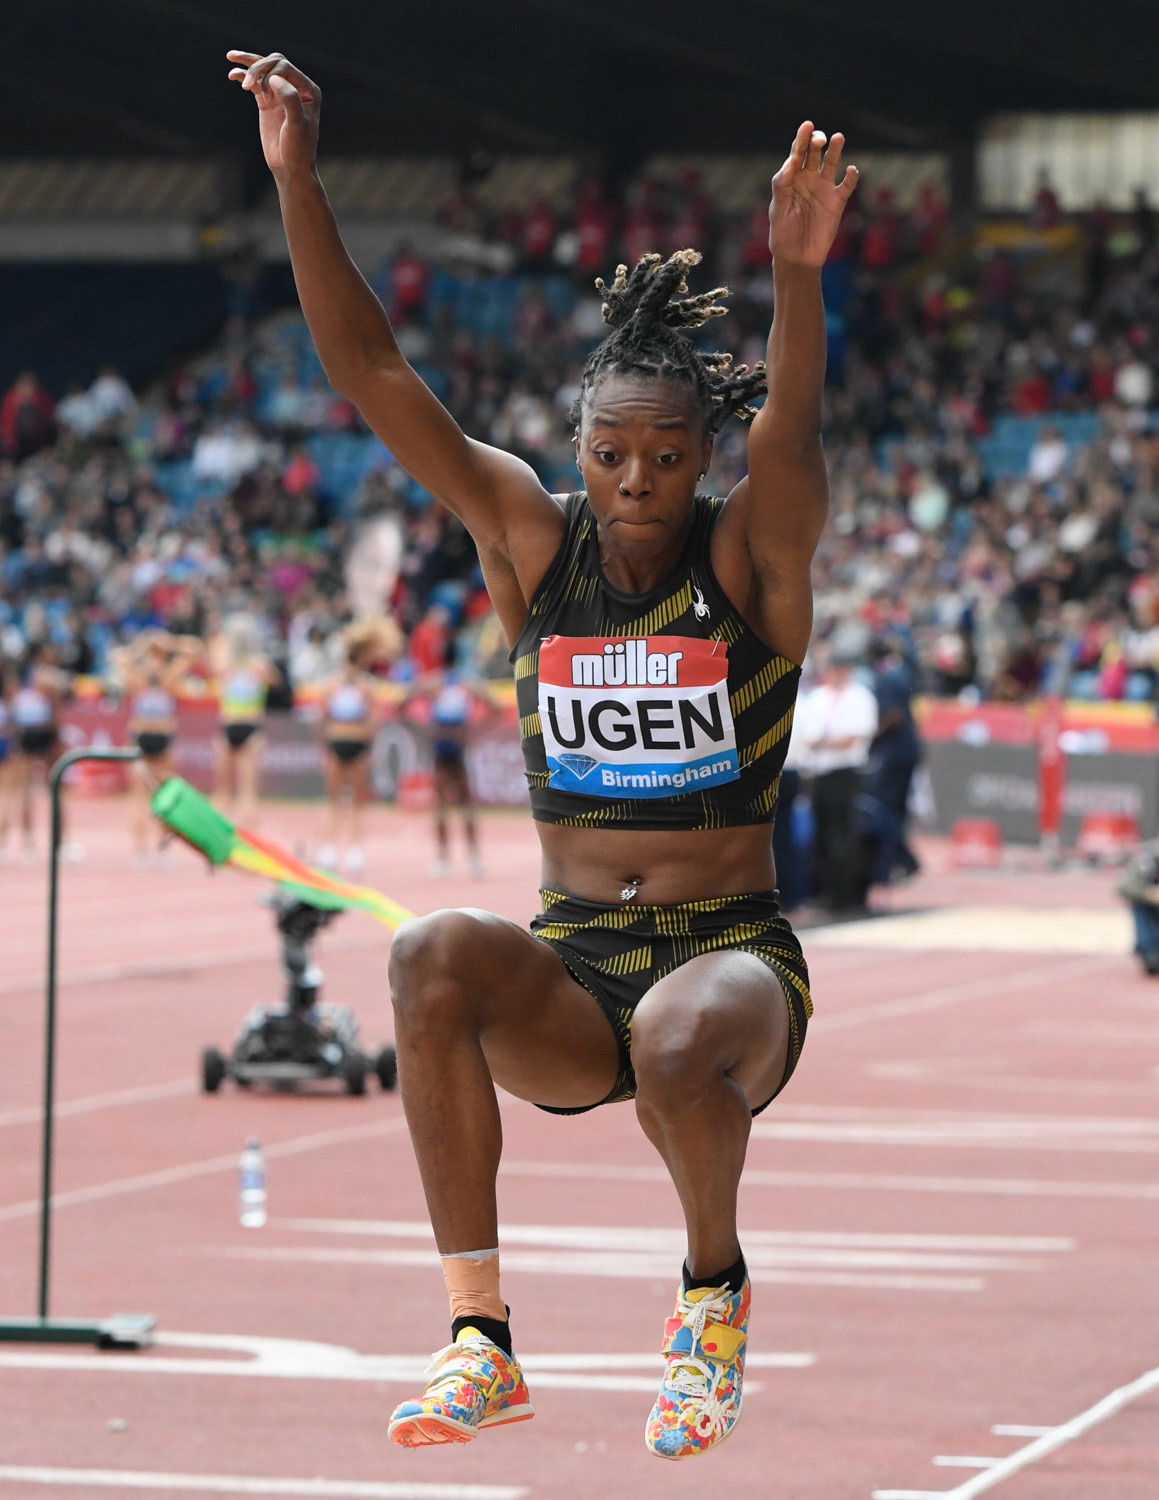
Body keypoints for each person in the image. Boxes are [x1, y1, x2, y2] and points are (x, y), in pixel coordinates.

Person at [230, 46, 856, 1459]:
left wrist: (796, 271)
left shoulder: (749, 559)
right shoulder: (527, 540)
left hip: (730, 957)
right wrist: (296, 179)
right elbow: (373, 370)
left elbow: (800, 437)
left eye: (663, 455)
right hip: (573, 960)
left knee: (680, 1036)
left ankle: (708, 1298)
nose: (634, 485)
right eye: (609, 453)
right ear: (575, 449)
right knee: (428, 951)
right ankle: (477, 1338)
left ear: (703, 451)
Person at [795, 647, 878, 913]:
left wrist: (826, 742)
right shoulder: (817, 698)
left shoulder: (859, 697)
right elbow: (809, 735)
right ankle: (826, 892)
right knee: (822, 832)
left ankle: (847, 894)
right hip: (819, 773)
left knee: (844, 834)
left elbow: (855, 736)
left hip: (846, 772)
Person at [404, 638, 493, 879]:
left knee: (443, 806)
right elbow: (493, 705)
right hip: (456, 742)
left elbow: (402, 703)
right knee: (465, 805)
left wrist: (422, 729)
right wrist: (474, 730)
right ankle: (473, 858)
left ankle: (444, 858)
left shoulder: (434, 683)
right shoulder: (465, 684)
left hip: (443, 742)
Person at [316, 619, 394, 874]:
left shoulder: (343, 685)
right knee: (346, 800)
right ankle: (343, 851)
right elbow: (374, 720)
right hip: (351, 741)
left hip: (344, 740)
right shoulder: (358, 686)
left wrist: (327, 743)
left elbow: (321, 719)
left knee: (341, 799)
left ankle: (341, 850)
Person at [115, 630, 198, 865]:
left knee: (138, 796)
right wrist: (172, 645)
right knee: (164, 796)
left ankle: (140, 851)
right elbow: (192, 650)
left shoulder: (137, 674)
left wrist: (141, 647)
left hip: (142, 734)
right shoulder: (170, 674)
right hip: (161, 735)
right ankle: (162, 851)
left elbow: (120, 658)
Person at [209, 612, 278, 824]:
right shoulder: (259, 665)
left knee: (224, 788)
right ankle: (248, 835)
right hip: (249, 725)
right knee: (246, 789)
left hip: (231, 724)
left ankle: (220, 833)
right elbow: (275, 681)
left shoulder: (225, 665)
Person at [10, 643, 76, 862]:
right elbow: (56, 707)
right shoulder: (46, 674)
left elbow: (13, 707)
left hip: (25, 731)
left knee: (25, 790)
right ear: (41, 653)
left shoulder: (20, 675)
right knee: (54, 788)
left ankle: (28, 845)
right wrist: (58, 738)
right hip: (44, 731)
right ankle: (60, 845)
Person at [866, 634, 922, 883]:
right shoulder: (900, 672)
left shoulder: (886, 677)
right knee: (896, 808)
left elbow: (892, 715)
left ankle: (899, 861)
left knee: (884, 808)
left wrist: (870, 738)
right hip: (907, 749)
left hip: (894, 752)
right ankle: (901, 861)